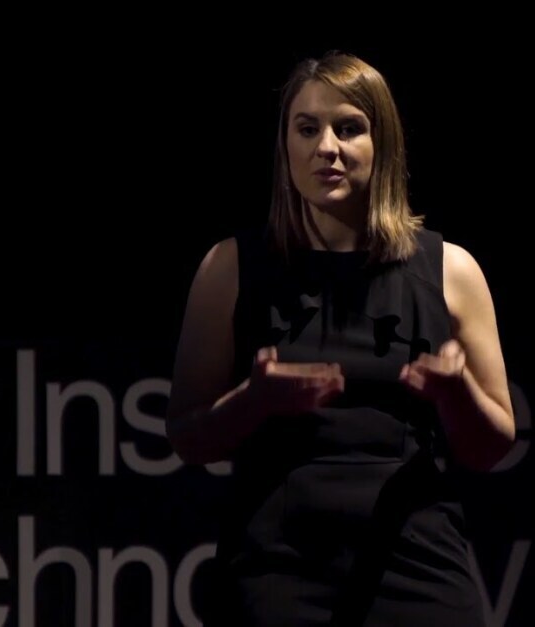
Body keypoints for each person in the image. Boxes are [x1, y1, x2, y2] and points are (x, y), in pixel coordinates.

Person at [166, 51, 515, 626]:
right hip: (277, 571)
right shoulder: (229, 268)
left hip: (416, 564)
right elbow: (188, 436)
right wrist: (254, 400)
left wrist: (457, 392)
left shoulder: (451, 271)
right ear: (285, 145)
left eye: (348, 128)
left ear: (383, 144)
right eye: (307, 129)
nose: (326, 147)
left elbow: (491, 447)